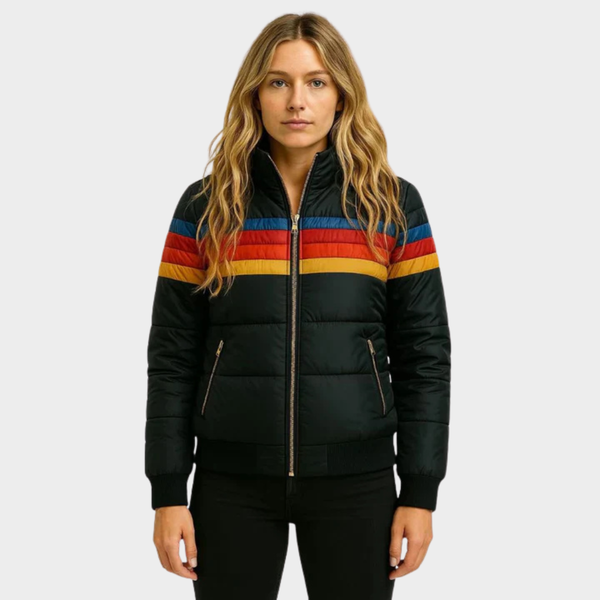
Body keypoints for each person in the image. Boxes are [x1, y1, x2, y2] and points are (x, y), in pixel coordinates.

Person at [144, 12, 451, 600]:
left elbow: (425, 355)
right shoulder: (207, 207)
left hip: (357, 483)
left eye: (316, 82)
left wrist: (420, 491)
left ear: (341, 94)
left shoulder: (390, 205)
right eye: (278, 82)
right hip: (230, 483)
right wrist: (167, 491)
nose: (297, 101)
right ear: (254, 95)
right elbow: (172, 355)